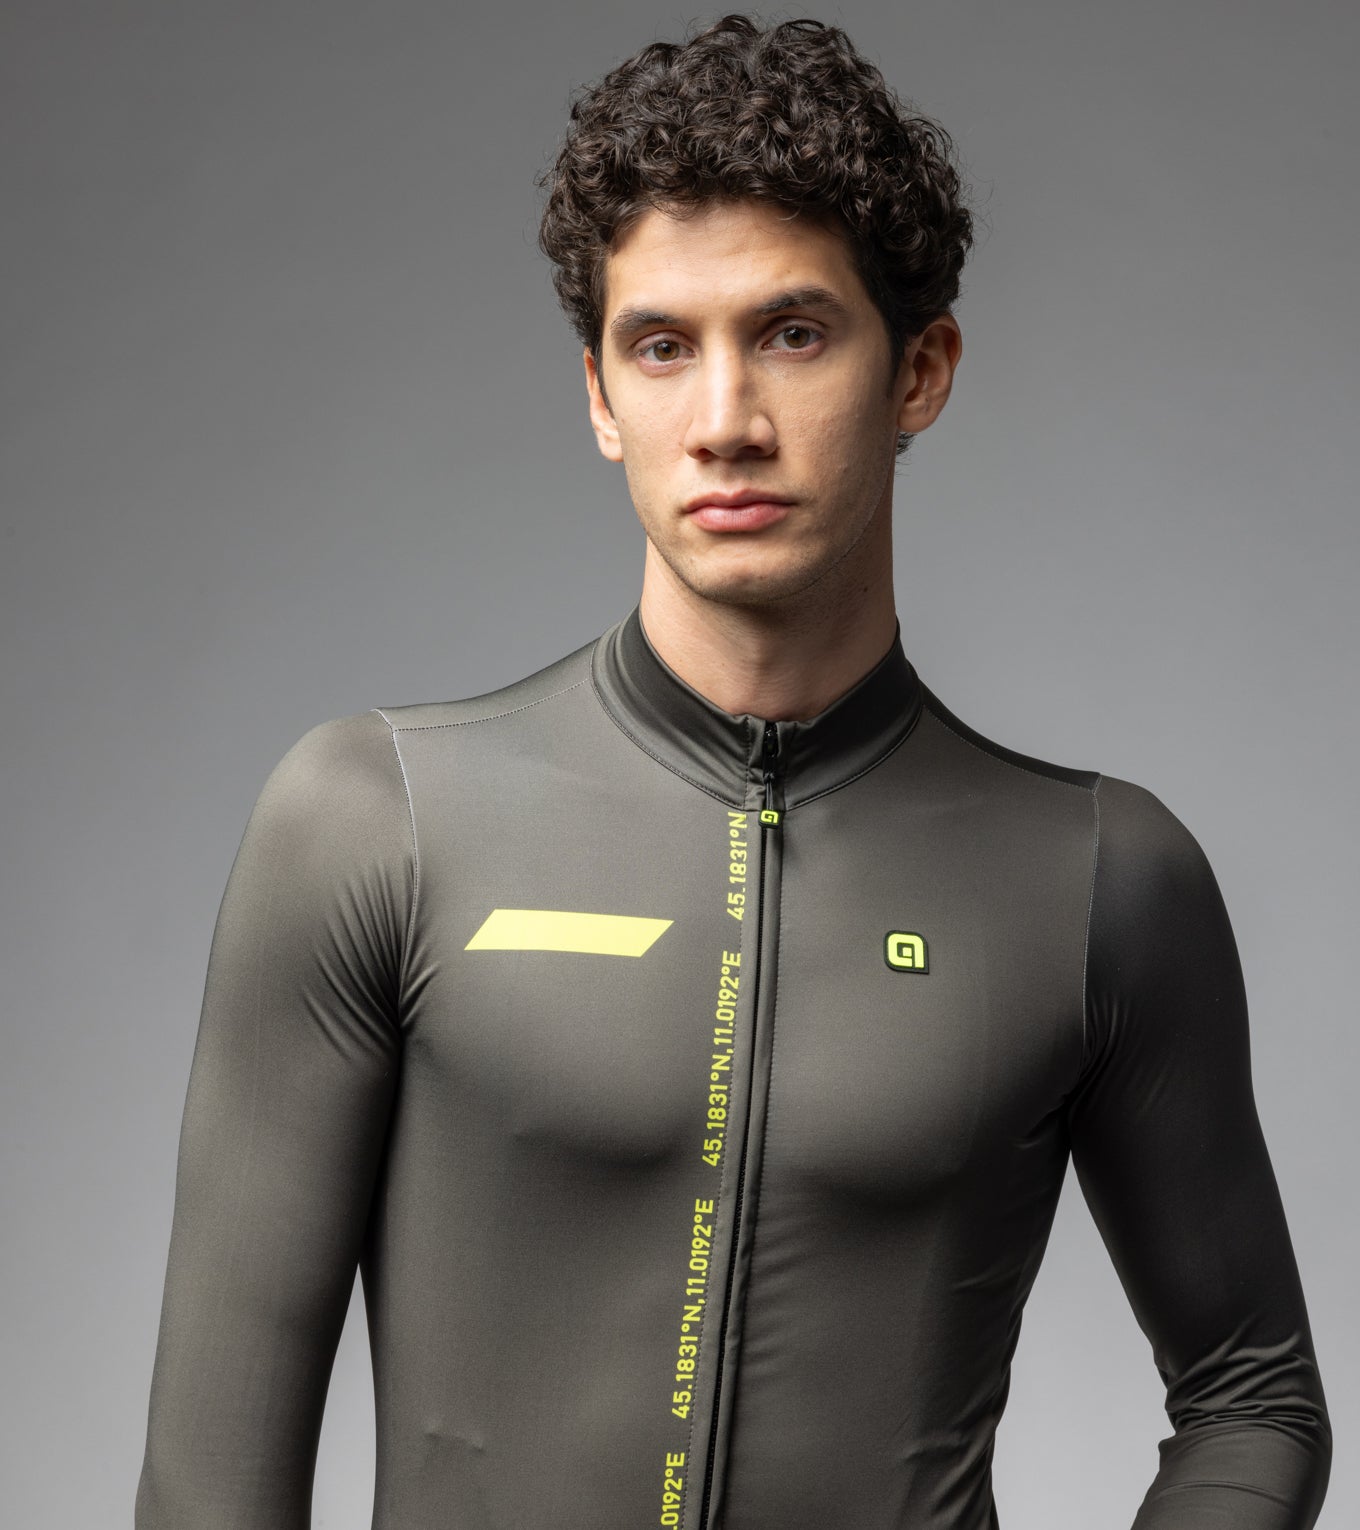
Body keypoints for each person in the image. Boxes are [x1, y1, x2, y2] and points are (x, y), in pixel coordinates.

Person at [136, 15, 1331, 1529]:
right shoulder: (379, 827)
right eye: (661, 347)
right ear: (599, 396)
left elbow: (1253, 1398)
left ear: (920, 370)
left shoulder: (1100, 879)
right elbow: (207, 1491)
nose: (724, 424)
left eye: (793, 333)